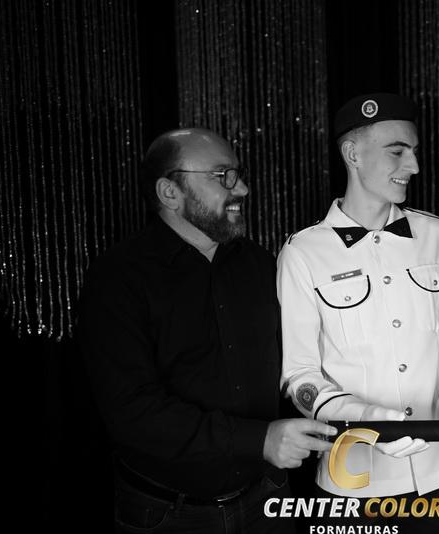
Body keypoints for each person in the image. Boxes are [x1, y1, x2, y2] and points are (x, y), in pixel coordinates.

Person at [78, 128, 337, 534]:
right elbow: (132, 412)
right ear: (170, 192)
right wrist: (259, 440)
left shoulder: (261, 264)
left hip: (267, 496)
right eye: (223, 177)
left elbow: (297, 363)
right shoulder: (118, 279)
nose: (243, 189)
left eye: (238, 174)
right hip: (169, 513)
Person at [277, 93, 439, 532]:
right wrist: (368, 420)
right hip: (353, 479)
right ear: (353, 154)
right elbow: (300, 377)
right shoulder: (303, 252)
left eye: (414, 151)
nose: (413, 165)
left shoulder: (437, 235)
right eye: (397, 152)